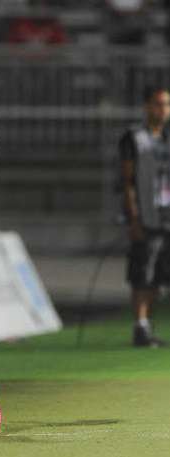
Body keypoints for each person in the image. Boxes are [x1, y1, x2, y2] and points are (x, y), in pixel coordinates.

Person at [120, 86, 170, 347]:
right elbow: (128, 181)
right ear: (147, 107)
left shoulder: (166, 138)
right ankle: (140, 326)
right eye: (158, 104)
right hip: (146, 216)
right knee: (142, 271)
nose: (163, 110)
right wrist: (134, 217)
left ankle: (147, 326)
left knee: (160, 274)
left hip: (166, 215)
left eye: (166, 105)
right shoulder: (135, 137)